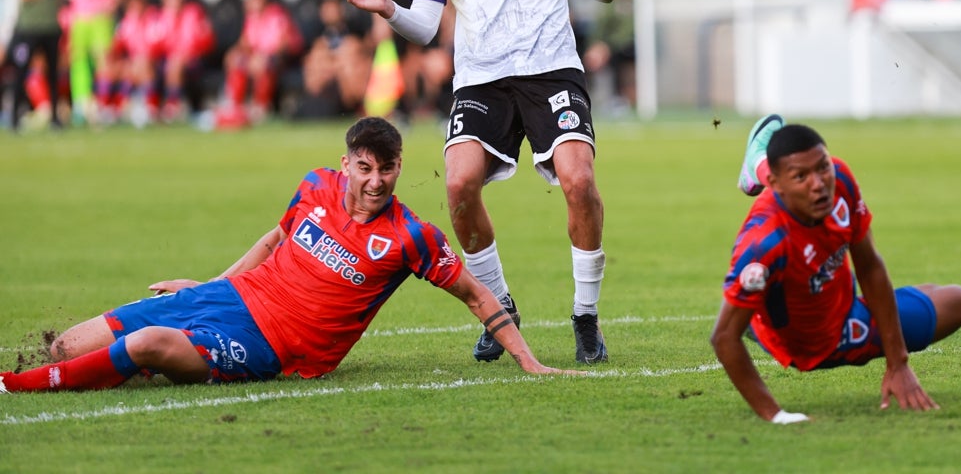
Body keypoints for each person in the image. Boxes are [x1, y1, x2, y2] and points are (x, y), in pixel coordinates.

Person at [343, 0, 627, 365]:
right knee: (457, 185)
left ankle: (586, 316)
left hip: (551, 69)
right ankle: (501, 311)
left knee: (578, 179)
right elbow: (424, 27)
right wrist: (386, 8)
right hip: (483, 80)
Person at [0, 116, 577, 393]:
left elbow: (477, 294)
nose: (376, 182)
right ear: (346, 162)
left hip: (276, 343)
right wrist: (206, 284)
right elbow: (275, 239)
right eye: (365, 168)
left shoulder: (411, 237)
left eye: (388, 169)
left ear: (400, 166)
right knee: (66, 346)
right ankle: (136, 363)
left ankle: (13, 387)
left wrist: (528, 360)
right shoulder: (314, 186)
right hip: (231, 297)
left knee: (146, 343)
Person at [712, 116, 961, 423]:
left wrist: (898, 362)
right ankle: (761, 165)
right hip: (794, 338)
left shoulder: (841, 180)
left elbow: (870, 266)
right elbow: (724, 336)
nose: (820, 184)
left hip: (845, 308)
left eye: (824, 167)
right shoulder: (762, 246)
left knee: (956, 301)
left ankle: (760, 164)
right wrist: (775, 416)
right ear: (776, 185)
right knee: (747, 308)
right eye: (801, 176)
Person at [2, 0, 65, 130]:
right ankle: (15, 117)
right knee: (21, 71)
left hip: (50, 26)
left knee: (54, 74)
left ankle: (55, 118)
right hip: (28, 26)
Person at [63, 0, 128, 125]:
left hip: (101, 15)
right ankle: (82, 104)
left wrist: (113, 1)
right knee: (79, 59)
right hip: (80, 16)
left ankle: (102, 104)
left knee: (103, 59)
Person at [215, 0, 303, 127]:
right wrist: (235, 53)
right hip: (256, 57)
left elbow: (282, 44)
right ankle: (236, 106)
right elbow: (245, 43)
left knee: (261, 64)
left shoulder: (277, 15)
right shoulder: (252, 18)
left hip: (280, 58)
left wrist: (262, 56)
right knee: (236, 62)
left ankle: (260, 106)